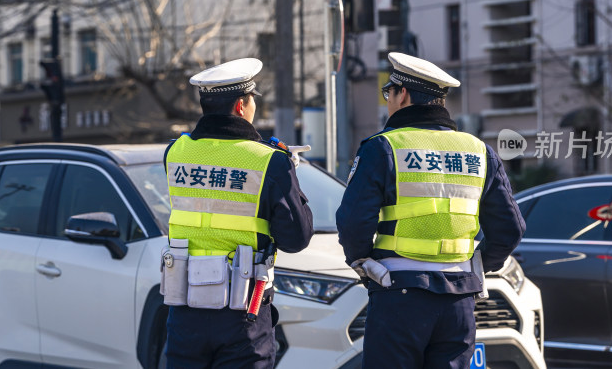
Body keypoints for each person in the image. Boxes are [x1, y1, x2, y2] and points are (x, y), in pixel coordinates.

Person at [336, 52, 525, 369]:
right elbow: (511, 230)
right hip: (459, 297)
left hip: (397, 291)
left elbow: (354, 223)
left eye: (388, 93)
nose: (388, 101)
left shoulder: (384, 147)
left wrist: (365, 263)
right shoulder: (480, 151)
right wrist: (477, 263)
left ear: (403, 95)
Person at [163, 58, 313, 368]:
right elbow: (296, 239)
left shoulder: (175, 152)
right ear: (241, 106)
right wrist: (288, 181)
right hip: (243, 315)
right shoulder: (268, 160)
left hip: (184, 312)